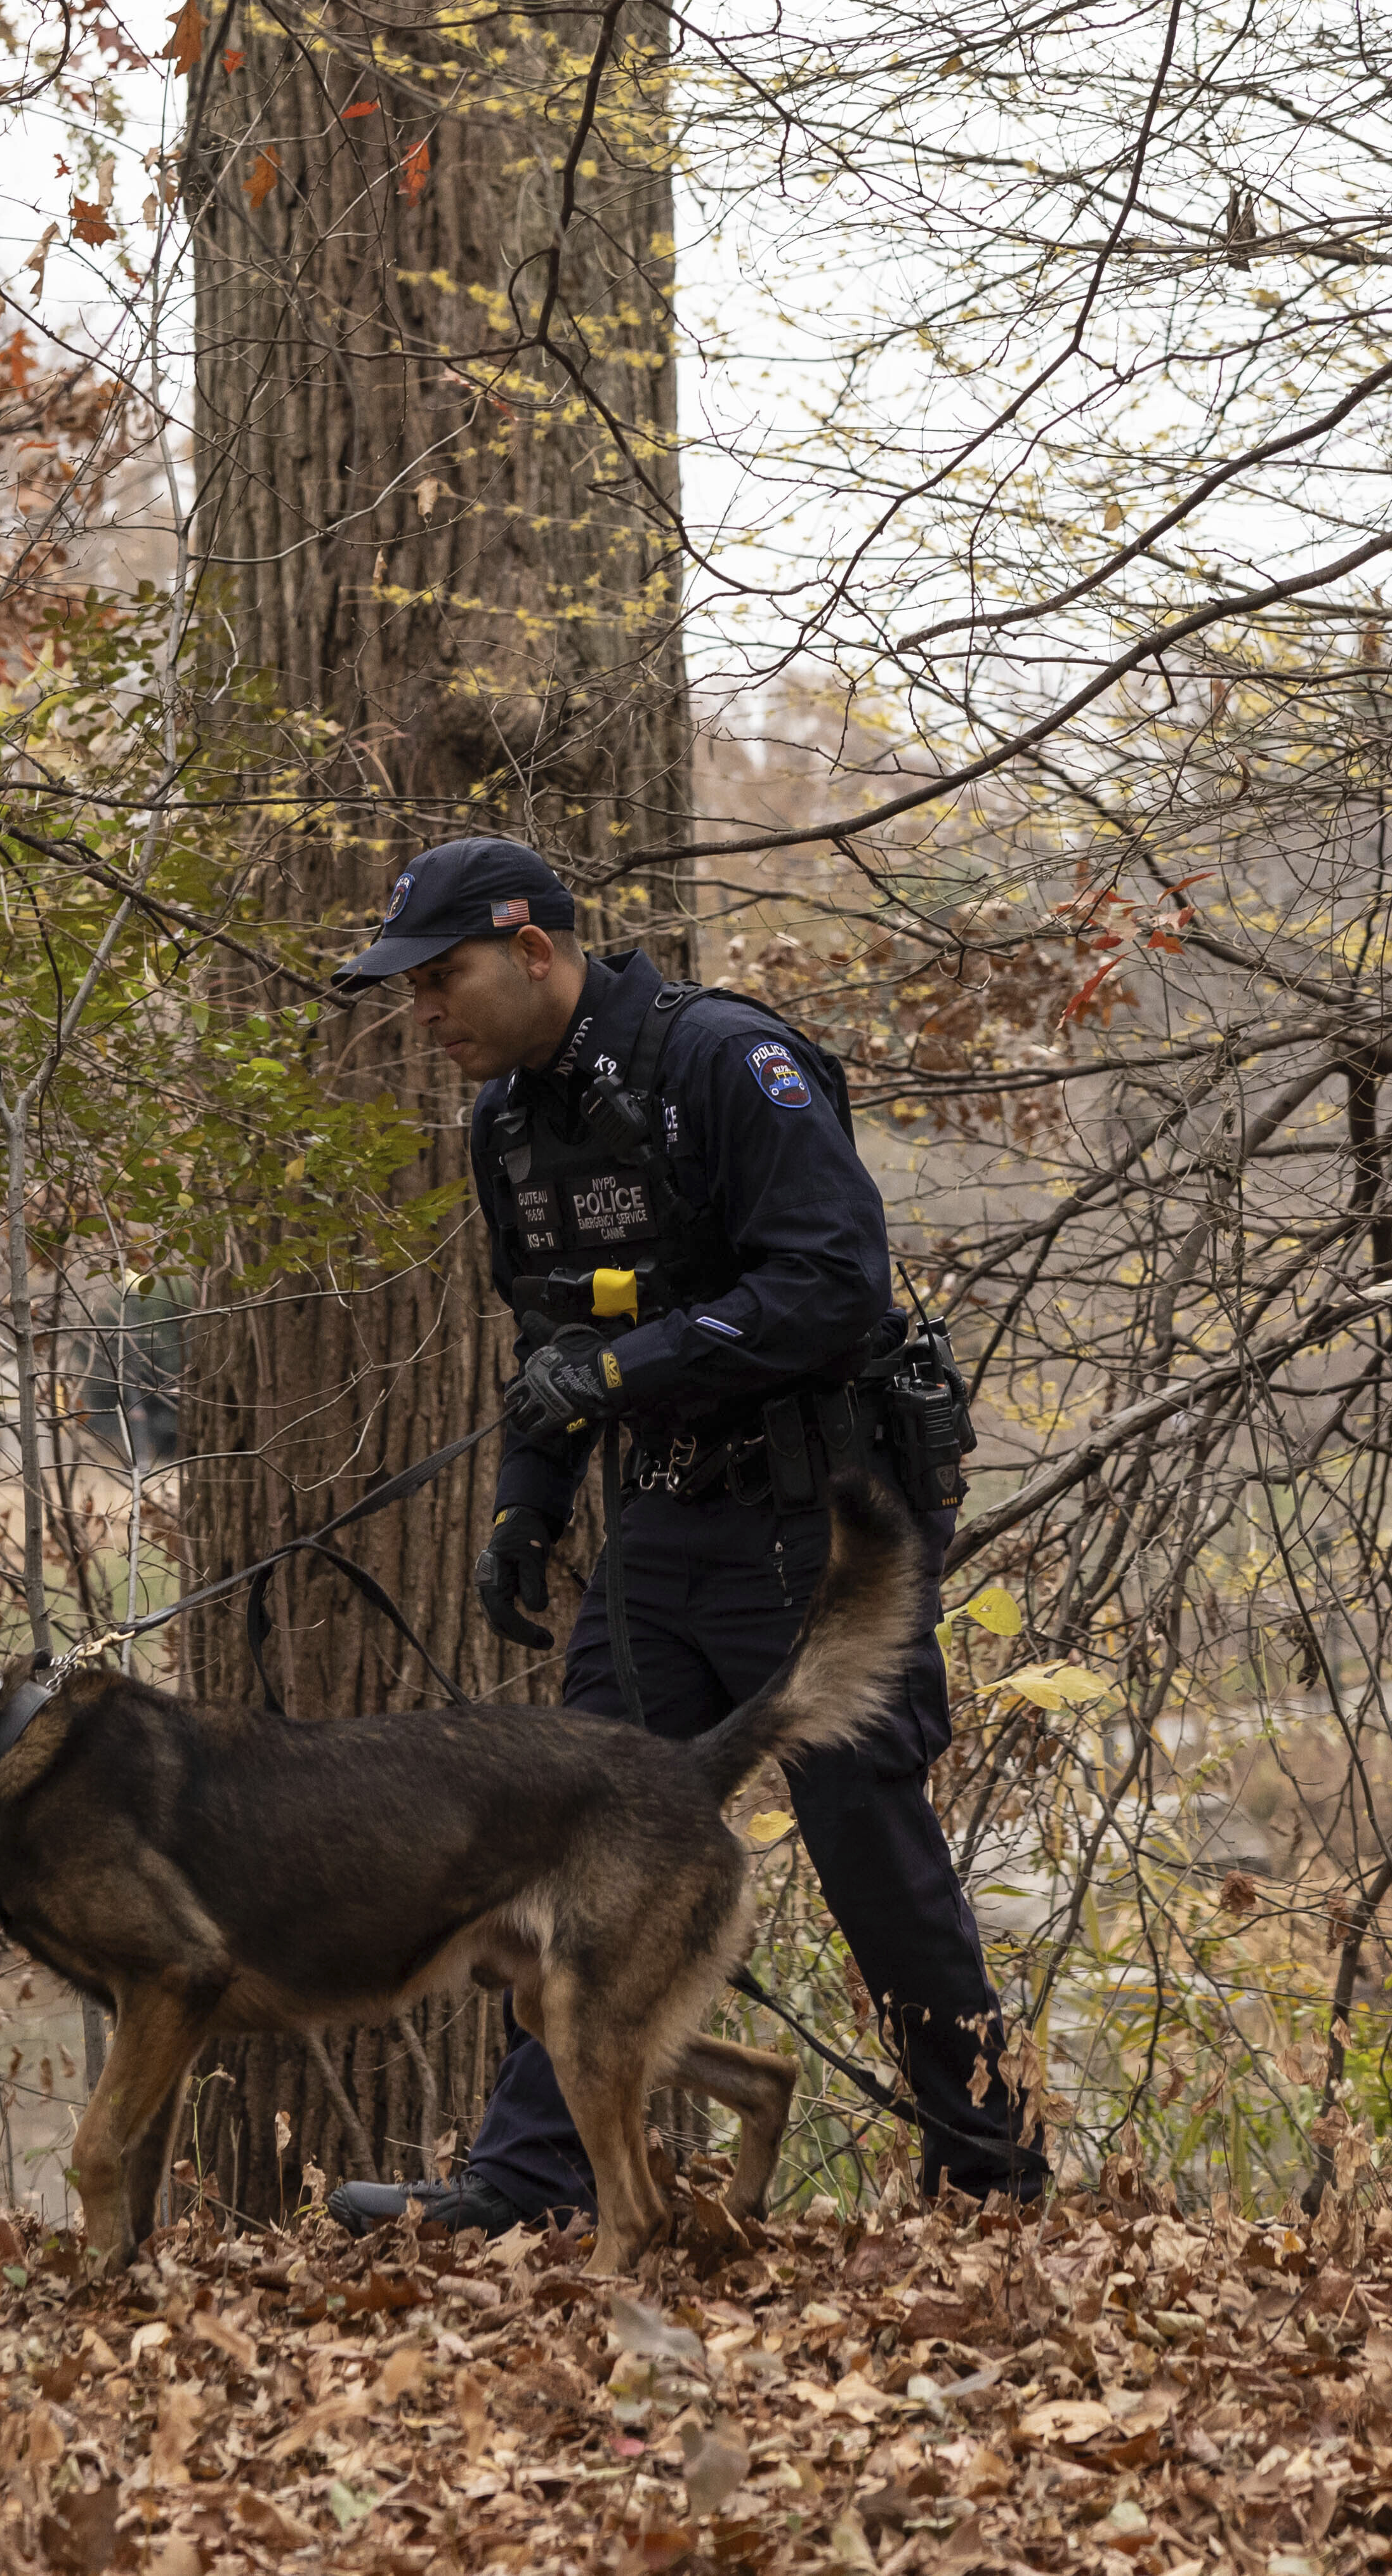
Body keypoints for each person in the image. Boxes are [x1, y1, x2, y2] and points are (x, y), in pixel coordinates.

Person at [320, 835, 1049, 2238]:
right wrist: (527, 1506)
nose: (422, 1012)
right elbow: (551, 1334)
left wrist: (617, 1369)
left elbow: (832, 1284)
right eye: (407, 989)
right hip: (661, 1520)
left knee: (868, 1849)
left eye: (441, 977)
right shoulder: (512, 1124)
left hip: (815, 1519)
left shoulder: (721, 1062)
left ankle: (992, 2177)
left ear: (533, 950)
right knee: (569, 1836)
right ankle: (528, 2179)